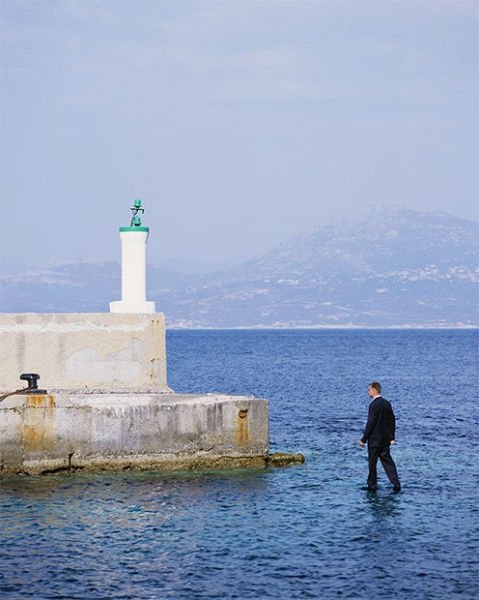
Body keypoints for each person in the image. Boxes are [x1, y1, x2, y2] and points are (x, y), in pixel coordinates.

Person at [358, 382, 401, 492]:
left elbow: (371, 423)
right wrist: (392, 437)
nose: (368, 392)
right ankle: (396, 483)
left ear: (374, 390)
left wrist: (363, 439)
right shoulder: (387, 403)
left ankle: (372, 486)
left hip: (374, 440)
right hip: (385, 440)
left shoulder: (373, 405)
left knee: (372, 464)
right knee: (388, 462)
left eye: (369, 390)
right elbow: (392, 421)